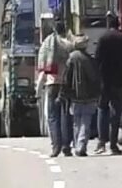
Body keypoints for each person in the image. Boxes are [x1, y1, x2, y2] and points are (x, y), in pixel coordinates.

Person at [94, 12, 122, 155]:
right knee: (116, 112)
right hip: (119, 80)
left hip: (105, 81)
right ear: (118, 24)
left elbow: (97, 58)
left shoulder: (103, 38)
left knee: (102, 109)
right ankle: (113, 144)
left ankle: (101, 142)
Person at [36, 18, 74, 157]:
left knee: (53, 117)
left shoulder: (47, 44)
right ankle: (66, 146)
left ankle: (55, 147)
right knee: (66, 116)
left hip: (52, 85)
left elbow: (42, 71)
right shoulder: (69, 45)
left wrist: (38, 90)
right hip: (65, 85)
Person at [61, 34, 100, 157]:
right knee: (85, 122)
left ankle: (78, 144)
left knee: (76, 123)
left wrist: (63, 93)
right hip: (89, 96)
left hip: (75, 97)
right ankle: (81, 146)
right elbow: (96, 78)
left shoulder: (71, 58)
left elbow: (66, 78)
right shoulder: (89, 60)